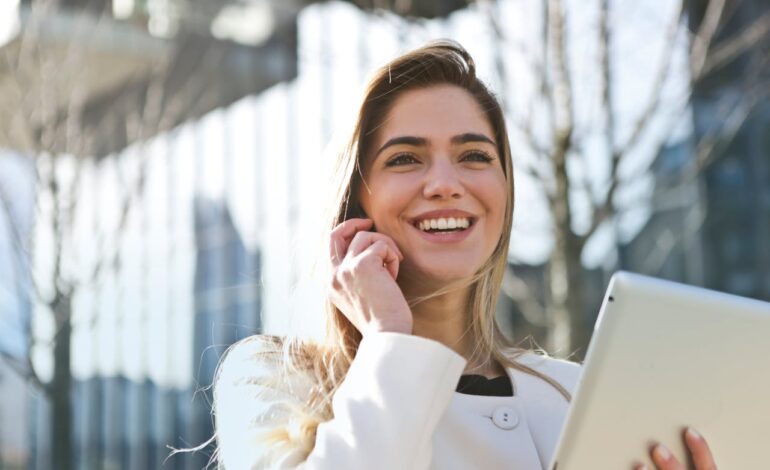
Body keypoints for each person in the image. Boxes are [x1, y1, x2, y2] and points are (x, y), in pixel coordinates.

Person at [213, 40, 717, 470]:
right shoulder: (270, 381)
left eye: (474, 156)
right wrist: (389, 339)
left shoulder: (576, 395)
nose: (445, 185)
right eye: (405, 158)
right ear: (356, 199)